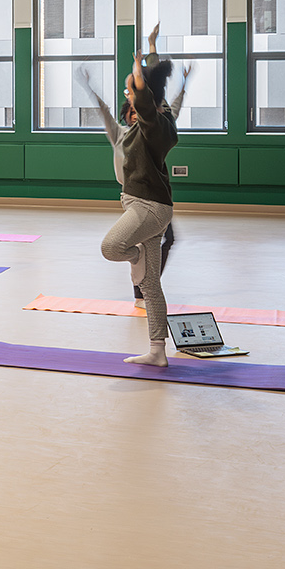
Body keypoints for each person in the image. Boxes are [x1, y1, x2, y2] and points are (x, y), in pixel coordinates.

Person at [95, 26, 181, 366]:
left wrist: (139, 74)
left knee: (112, 247)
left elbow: (150, 98)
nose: (128, 95)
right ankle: (158, 351)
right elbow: (159, 93)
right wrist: (150, 52)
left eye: (130, 92)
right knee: (151, 286)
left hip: (147, 208)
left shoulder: (153, 125)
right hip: (149, 208)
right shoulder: (152, 124)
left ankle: (137, 260)